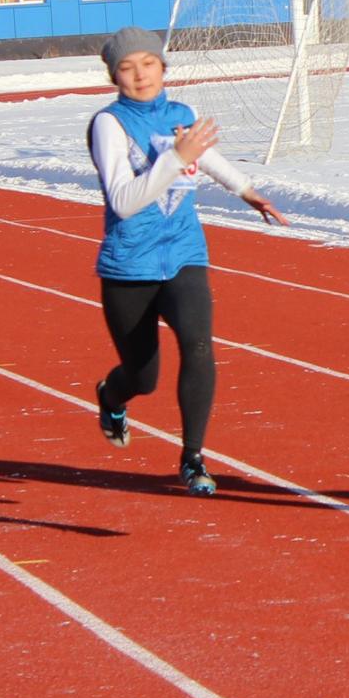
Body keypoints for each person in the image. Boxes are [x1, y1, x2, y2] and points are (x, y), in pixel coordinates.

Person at [88, 26, 288, 495]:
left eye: (149, 64)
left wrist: (245, 190)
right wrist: (176, 158)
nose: (140, 75)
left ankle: (193, 457)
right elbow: (123, 200)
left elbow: (207, 156)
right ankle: (112, 396)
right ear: (114, 75)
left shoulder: (183, 113)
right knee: (143, 376)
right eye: (127, 67)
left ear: (163, 67)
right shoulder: (109, 124)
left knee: (199, 345)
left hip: (183, 254)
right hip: (128, 266)